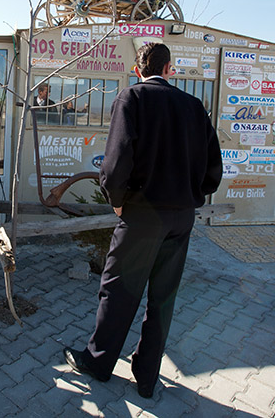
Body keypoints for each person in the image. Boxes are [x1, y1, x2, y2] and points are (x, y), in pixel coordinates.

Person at [63, 43, 222, 399]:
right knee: (163, 297)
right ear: (169, 69)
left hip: (143, 214)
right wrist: (191, 195)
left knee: (119, 289)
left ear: (138, 70)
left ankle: (99, 362)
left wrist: (117, 201)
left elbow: (116, 159)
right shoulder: (194, 106)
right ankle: (147, 376)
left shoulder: (132, 97)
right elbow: (214, 166)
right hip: (181, 217)